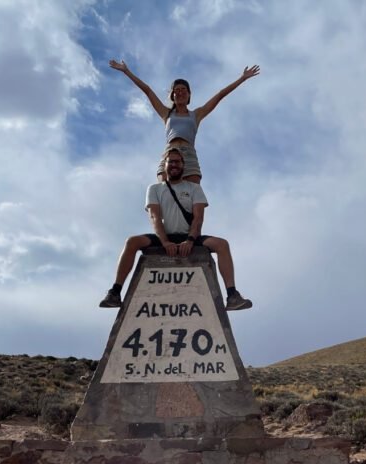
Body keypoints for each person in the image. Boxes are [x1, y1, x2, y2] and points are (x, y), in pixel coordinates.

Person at [99, 147, 252, 311]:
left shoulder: (194, 188)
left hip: (189, 236)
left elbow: (198, 218)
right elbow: (154, 217)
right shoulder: (155, 189)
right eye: (171, 161)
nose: (174, 165)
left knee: (222, 244)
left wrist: (190, 240)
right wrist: (165, 242)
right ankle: (115, 292)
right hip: (164, 236)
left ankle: (232, 295)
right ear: (165, 165)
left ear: (183, 165)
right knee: (132, 242)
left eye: (177, 162)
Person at [108, 60, 260, 183]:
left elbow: (220, 95)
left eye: (183, 90)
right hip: (170, 153)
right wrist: (127, 71)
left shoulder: (197, 114)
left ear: (189, 95)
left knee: (191, 196)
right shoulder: (166, 113)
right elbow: (147, 90)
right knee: (164, 191)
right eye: (177, 91)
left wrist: (242, 78)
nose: (180, 93)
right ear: (172, 96)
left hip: (189, 155)